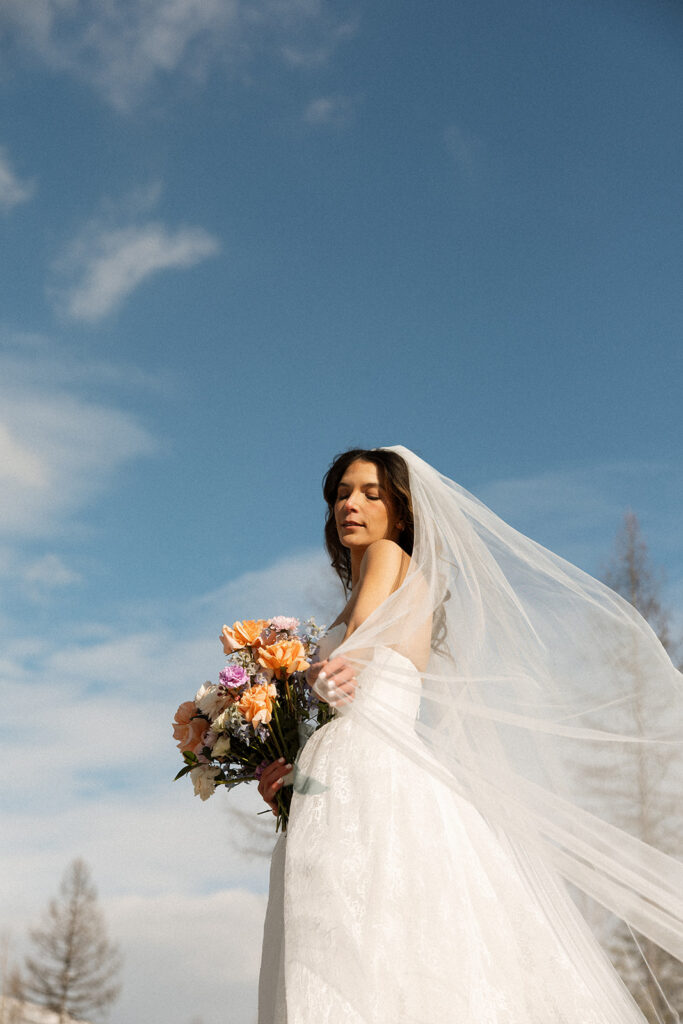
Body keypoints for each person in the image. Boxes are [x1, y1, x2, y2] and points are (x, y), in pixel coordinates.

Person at [257, 446, 683, 1023]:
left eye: (369, 494)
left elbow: (348, 661)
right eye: (341, 494)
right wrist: (282, 771)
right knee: (379, 945)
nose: (349, 504)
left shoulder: (387, 556)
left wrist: (281, 674)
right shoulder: (377, 589)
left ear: (401, 516)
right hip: (338, 775)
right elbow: (337, 686)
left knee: (346, 947)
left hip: (366, 771)